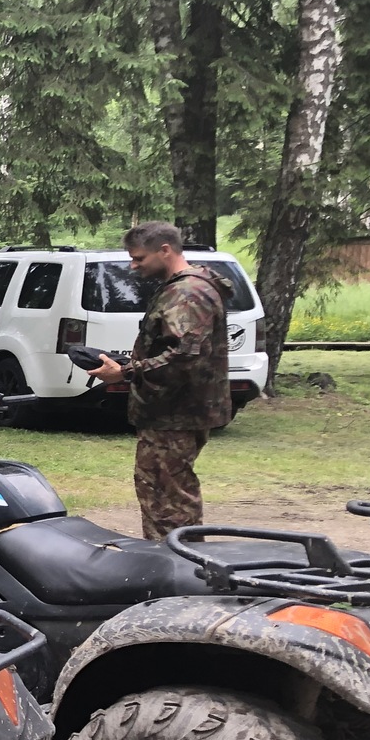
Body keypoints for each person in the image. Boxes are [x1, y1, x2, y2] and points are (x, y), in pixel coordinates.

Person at [86, 221, 232, 542]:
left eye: (139, 258)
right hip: (170, 411)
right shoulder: (184, 288)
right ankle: (171, 557)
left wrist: (125, 372)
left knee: (169, 499)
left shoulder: (187, 293)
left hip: (175, 413)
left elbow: (184, 357)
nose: (133, 266)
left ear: (165, 250)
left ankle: (177, 562)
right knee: (162, 491)